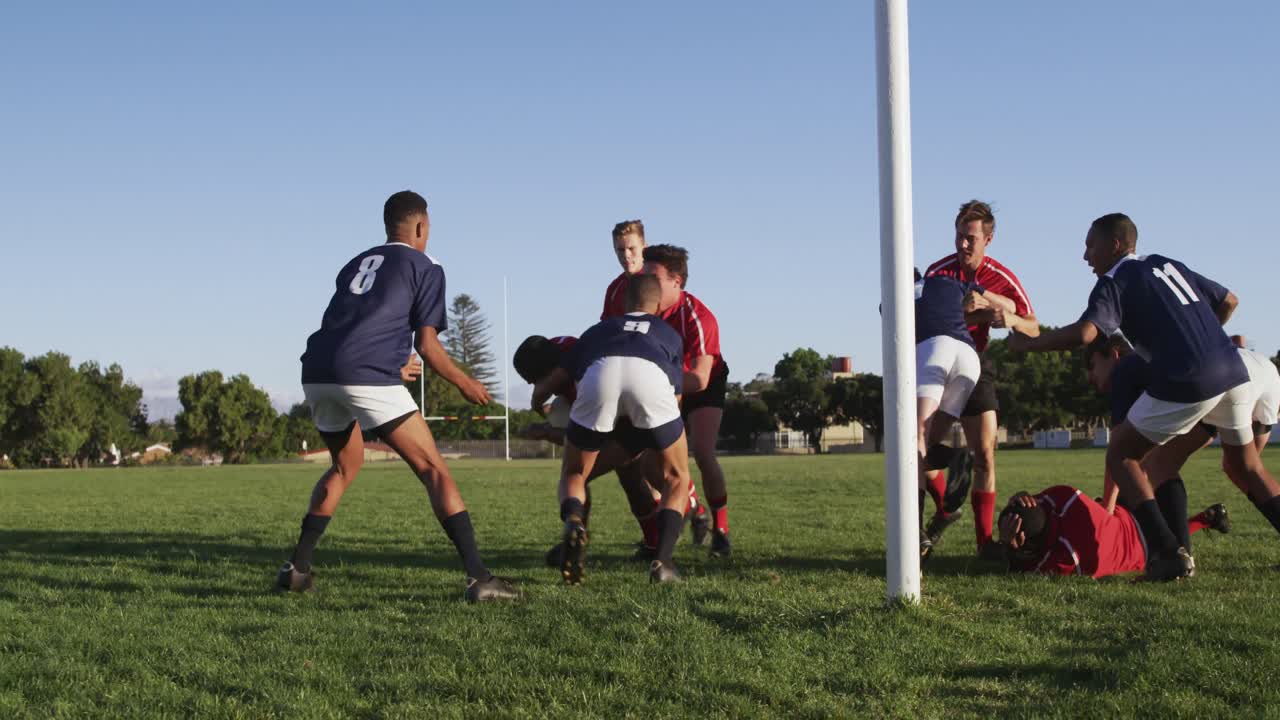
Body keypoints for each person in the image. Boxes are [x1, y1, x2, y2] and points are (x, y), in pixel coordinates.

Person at [1009, 212, 1280, 581]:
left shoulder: (1114, 280)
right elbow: (1229, 300)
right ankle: (1174, 549)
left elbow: (1086, 334)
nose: (1086, 256)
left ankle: (1168, 553)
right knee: (1244, 467)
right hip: (1233, 369)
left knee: (1122, 454)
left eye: (1091, 245)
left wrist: (1030, 344)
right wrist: (1200, 336)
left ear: (1115, 245)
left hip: (1189, 375)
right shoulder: (1166, 264)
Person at [278, 190, 518, 603]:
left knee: (344, 465)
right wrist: (464, 382)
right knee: (434, 471)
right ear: (421, 226)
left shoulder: (356, 263)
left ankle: (297, 569)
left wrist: (390, 366)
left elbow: (357, 327)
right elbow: (428, 345)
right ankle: (481, 579)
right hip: (365, 376)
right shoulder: (426, 265)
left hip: (317, 371)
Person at [551, 274, 692, 584]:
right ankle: (663, 562)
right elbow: (676, 397)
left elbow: (567, 375)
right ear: (658, 304)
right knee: (677, 477)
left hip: (600, 374)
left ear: (625, 302)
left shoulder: (599, 329)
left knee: (574, 472)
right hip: (650, 376)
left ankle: (574, 520)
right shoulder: (667, 332)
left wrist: (539, 400)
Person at [1085, 332, 1280, 550]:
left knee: (1161, 465)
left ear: (1114, 355)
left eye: (1092, 366)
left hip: (1226, 376)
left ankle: (1179, 557)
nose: (1089, 376)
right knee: (1244, 470)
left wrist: (1108, 509)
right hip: (1263, 371)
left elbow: (1120, 450)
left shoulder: (1124, 370)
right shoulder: (1146, 362)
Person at [925, 200, 1039, 557]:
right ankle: (944, 510)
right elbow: (924, 317)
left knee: (985, 455)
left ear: (988, 240)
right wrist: (966, 310)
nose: (962, 244)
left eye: (970, 238)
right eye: (959, 235)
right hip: (935, 366)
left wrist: (1007, 316)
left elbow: (1032, 326)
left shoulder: (1002, 278)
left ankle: (984, 545)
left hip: (975, 364)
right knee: (919, 450)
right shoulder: (937, 273)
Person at [514, 334, 676, 562]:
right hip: (628, 412)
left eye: (535, 380)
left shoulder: (580, 379)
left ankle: (576, 537)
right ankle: (653, 543)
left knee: (577, 475)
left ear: (550, 371)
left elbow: (586, 439)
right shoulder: (558, 349)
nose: (535, 386)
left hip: (626, 422)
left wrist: (547, 431)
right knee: (631, 480)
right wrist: (540, 407)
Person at [600, 222, 712, 545]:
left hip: (664, 385)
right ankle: (675, 521)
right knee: (632, 468)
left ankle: (670, 529)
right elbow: (609, 334)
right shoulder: (615, 290)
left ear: (644, 247)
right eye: (619, 250)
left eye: (632, 248)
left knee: (653, 463)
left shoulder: (663, 288)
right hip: (629, 383)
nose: (626, 256)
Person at [643, 244, 733, 557]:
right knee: (647, 461)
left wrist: (655, 383)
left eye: (654, 278)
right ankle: (694, 507)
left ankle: (721, 530)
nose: (646, 284)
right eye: (644, 277)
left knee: (704, 453)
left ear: (676, 281)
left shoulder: (697, 317)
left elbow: (699, 378)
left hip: (702, 384)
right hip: (666, 386)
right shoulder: (644, 313)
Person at [995, 487, 1228, 579]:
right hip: (1132, 511)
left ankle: (1203, 524)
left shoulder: (1068, 555)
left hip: (1141, 552)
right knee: (1163, 530)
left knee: (1163, 542)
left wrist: (1011, 550)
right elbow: (1041, 503)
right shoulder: (1063, 496)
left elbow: (1024, 573)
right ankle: (1205, 519)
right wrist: (1024, 495)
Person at [912, 268, 985, 559]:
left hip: (934, 349)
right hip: (968, 356)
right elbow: (981, 295)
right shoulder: (947, 281)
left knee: (915, 437)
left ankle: (915, 529)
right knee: (926, 445)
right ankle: (954, 457)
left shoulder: (894, 296)